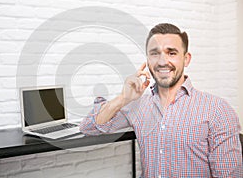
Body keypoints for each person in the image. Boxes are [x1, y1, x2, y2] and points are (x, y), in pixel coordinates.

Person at [79, 23, 243, 177]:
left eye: (171, 53)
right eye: (155, 53)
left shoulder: (218, 110)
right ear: (148, 60)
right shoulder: (138, 105)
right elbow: (89, 127)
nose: (163, 61)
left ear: (186, 59)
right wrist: (123, 98)